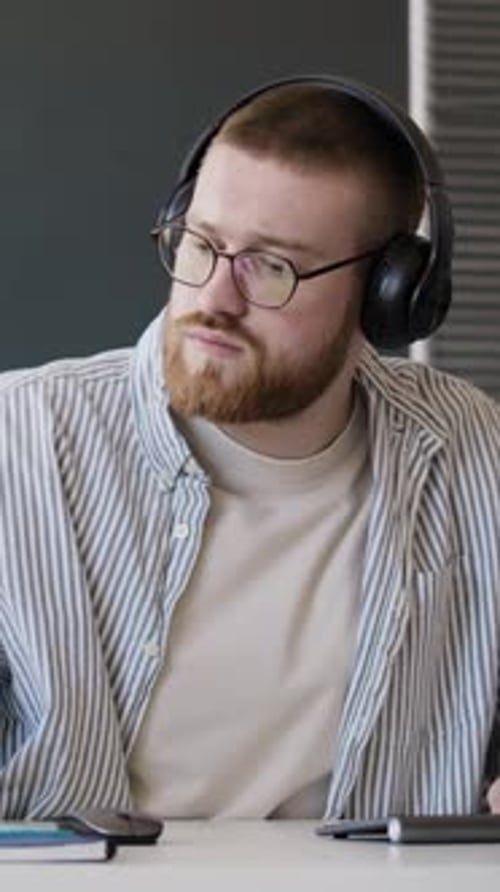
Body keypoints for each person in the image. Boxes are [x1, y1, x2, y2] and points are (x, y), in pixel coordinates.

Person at [0, 76, 499, 821]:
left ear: (390, 298)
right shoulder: (20, 442)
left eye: (273, 267)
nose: (213, 300)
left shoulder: (474, 455)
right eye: (200, 243)